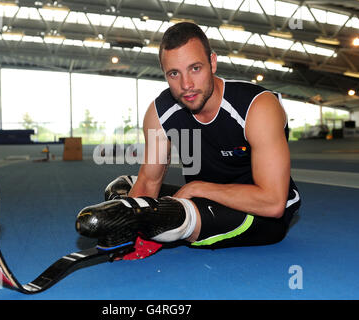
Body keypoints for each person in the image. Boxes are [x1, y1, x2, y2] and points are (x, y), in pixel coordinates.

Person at [75, 22, 301, 258]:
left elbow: (273, 202)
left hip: (260, 214)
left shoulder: (257, 107)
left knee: (179, 211)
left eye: (195, 68)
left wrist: (197, 187)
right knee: (122, 188)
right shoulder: (159, 113)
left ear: (212, 63)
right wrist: (130, 225)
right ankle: (166, 223)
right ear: (165, 74)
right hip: (200, 200)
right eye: (174, 73)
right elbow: (149, 182)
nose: (186, 85)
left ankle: (173, 222)